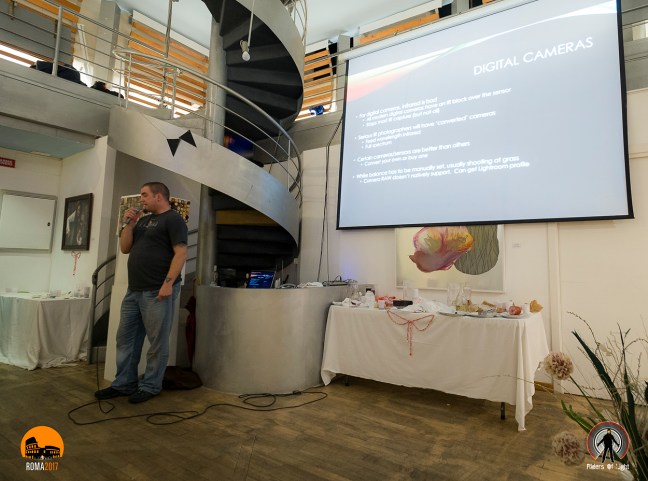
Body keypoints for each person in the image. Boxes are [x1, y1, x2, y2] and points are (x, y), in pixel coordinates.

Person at [95, 182, 188, 404]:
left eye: (145, 195)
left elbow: (181, 253)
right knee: (125, 339)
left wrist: (168, 283)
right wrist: (129, 224)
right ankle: (124, 383)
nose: (141, 199)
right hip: (134, 290)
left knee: (157, 342)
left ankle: (150, 386)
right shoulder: (143, 221)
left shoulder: (173, 219)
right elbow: (125, 248)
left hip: (157, 290)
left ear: (159, 196)